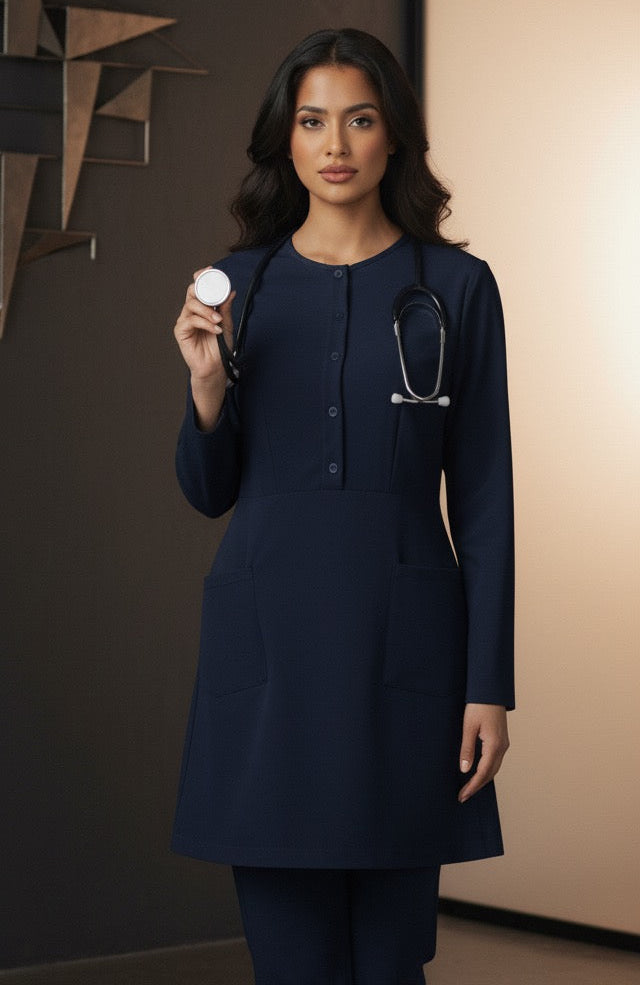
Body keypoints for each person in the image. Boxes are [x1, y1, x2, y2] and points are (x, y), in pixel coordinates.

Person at [171, 27, 513, 985]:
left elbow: (484, 498)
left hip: (404, 667)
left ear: (393, 137)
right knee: (291, 966)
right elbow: (208, 491)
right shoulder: (237, 286)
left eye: (359, 120)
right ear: (286, 139)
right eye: (313, 120)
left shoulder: (457, 288)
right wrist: (207, 388)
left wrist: (489, 682)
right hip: (268, 664)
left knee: (390, 968)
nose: (335, 144)